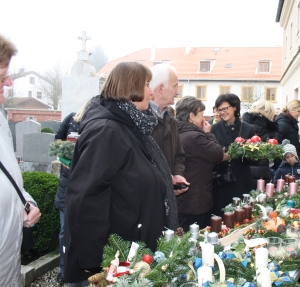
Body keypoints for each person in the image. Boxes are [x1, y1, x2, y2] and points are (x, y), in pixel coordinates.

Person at [63, 62, 175, 285]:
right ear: (129, 87)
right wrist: (95, 264)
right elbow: (85, 199)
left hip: (132, 250)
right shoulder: (107, 130)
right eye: (146, 85)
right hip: (115, 260)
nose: (151, 92)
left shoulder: (131, 126)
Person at [0, 34, 41, 286]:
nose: (9, 80)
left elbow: (8, 175)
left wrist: (25, 201)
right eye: (2, 73)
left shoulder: (1, 121)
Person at [175, 96, 224, 230]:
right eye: (202, 114)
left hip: (183, 199)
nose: (204, 119)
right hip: (195, 200)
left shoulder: (176, 132)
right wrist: (208, 133)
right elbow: (217, 154)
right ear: (191, 116)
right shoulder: (195, 137)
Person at [210, 93, 255, 216]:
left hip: (242, 178)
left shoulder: (248, 128)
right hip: (222, 181)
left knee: (242, 215)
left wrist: (241, 153)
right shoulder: (214, 128)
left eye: (225, 108)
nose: (222, 112)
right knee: (221, 215)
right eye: (220, 110)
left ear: (234, 107)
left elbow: (253, 158)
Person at [149, 64, 188, 196]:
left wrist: (177, 174)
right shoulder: (140, 119)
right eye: (174, 86)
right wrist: (163, 177)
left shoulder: (172, 120)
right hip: (147, 196)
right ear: (160, 88)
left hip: (167, 196)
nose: (177, 92)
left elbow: (179, 155)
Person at [53, 111, 79, 283]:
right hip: (67, 184)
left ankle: (78, 267)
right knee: (64, 231)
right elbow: (56, 142)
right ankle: (64, 268)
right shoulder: (71, 118)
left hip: (85, 185)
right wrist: (64, 155)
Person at [242, 100, 278, 187]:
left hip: (243, 171)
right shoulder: (270, 130)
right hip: (262, 173)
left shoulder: (243, 126)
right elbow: (273, 158)